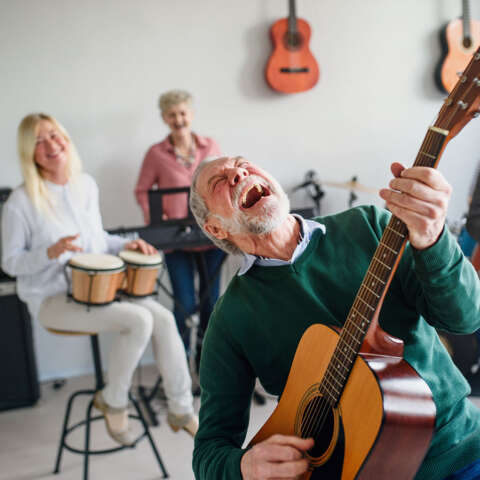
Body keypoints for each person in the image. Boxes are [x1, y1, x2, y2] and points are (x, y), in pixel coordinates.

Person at [189, 156, 480, 479]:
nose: (238, 174)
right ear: (214, 227)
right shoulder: (230, 318)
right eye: (219, 181)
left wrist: (434, 238)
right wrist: (244, 466)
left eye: (244, 164)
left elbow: (465, 319)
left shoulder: (369, 225)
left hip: (458, 451)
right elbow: (209, 450)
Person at [1, 113, 198, 446]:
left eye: (53, 135)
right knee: (137, 319)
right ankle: (114, 400)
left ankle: (181, 409)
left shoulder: (85, 185)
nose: (50, 144)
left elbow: (98, 241)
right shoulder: (21, 203)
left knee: (163, 319)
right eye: (38, 140)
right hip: (52, 300)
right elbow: (10, 263)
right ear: (28, 153)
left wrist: (128, 242)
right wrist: (50, 252)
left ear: (65, 137)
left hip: (100, 291)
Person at [134, 89, 226, 359]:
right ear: (164, 118)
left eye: (183, 113)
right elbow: (142, 190)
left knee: (212, 304)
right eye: (172, 114)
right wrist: (156, 220)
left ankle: (206, 359)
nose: (179, 119)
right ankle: (178, 361)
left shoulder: (210, 146)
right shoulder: (155, 154)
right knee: (184, 304)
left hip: (211, 234)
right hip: (176, 240)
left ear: (191, 114)